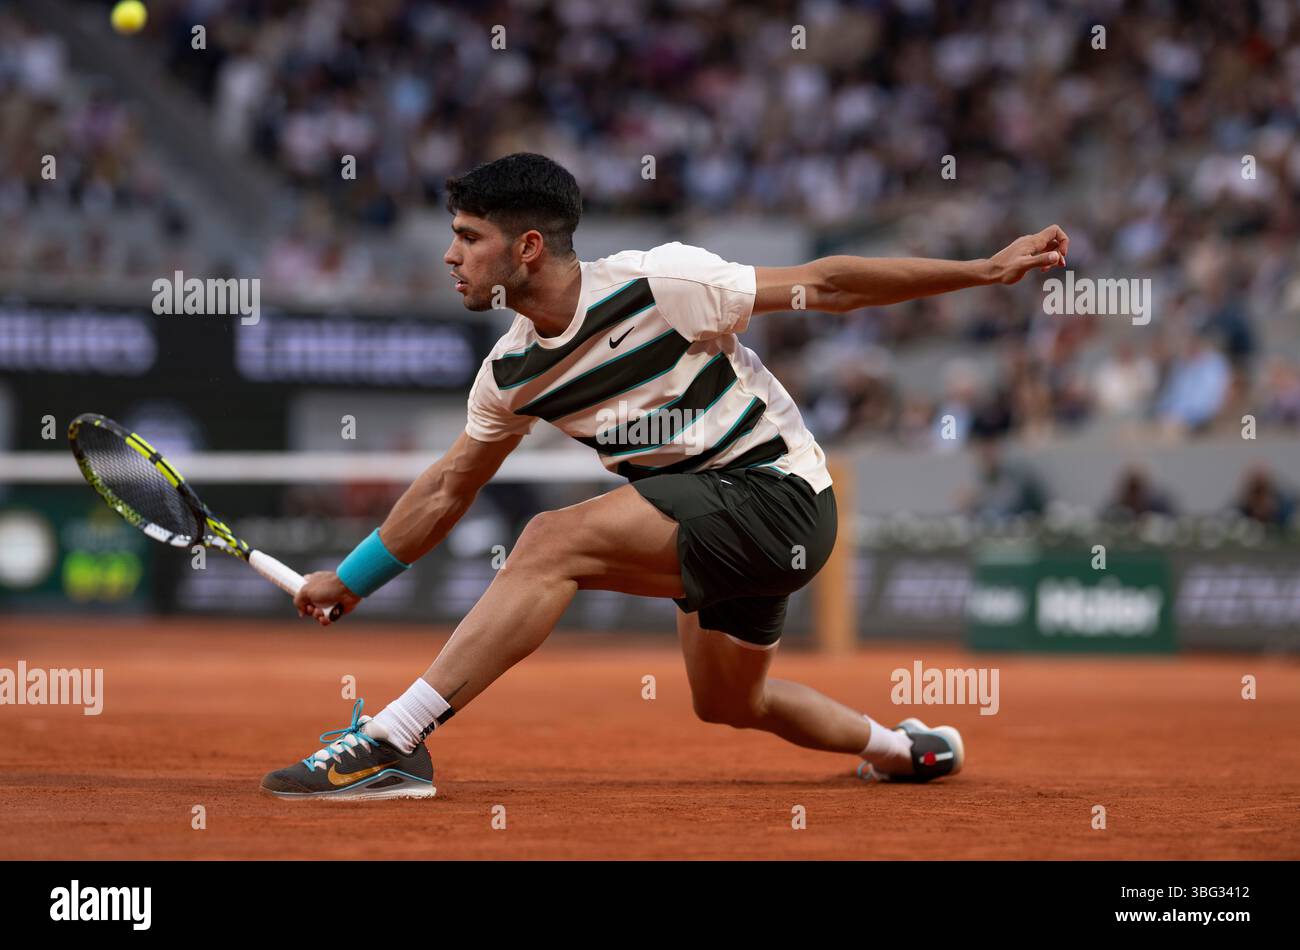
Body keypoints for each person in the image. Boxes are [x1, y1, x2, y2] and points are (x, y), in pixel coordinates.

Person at [263, 152, 1070, 799]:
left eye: (469, 237)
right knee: (729, 703)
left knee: (549, 541)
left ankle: (393, 741)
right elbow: (448, 490)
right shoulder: (510, 374)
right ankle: (905, 751)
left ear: (528, 248)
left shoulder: (662, 284)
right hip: (705, 520)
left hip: (781, 498)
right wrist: (353, 578)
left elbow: (824, 284)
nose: (450, 255)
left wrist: (982, 270)